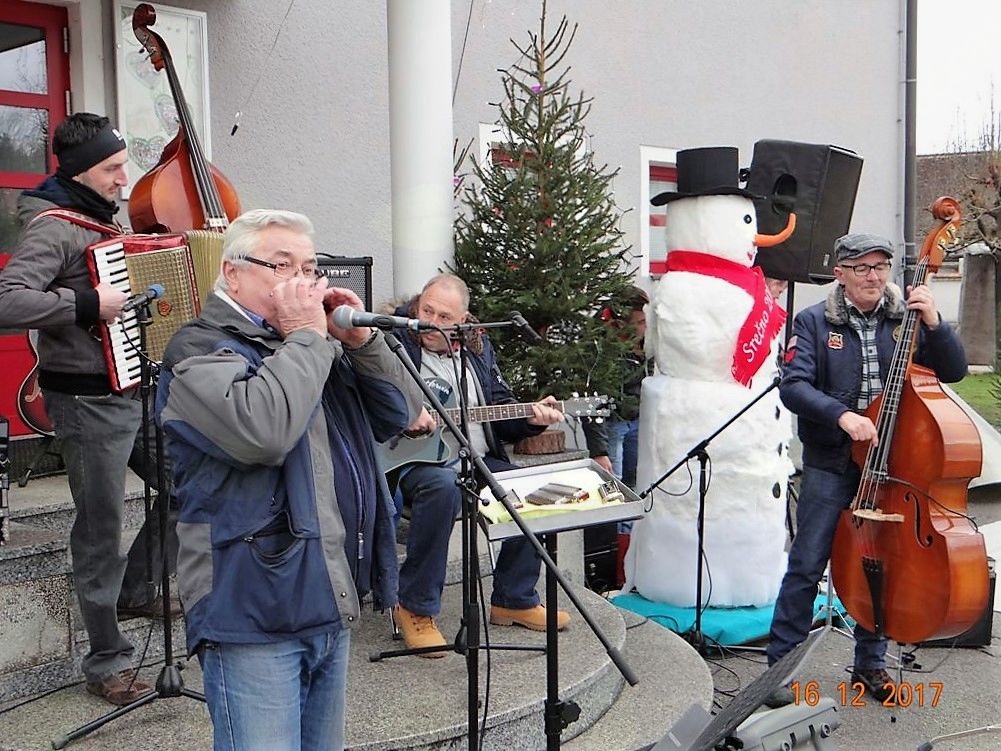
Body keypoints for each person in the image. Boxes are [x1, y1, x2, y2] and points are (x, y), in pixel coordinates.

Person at [156, 209, 423, 750]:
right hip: (252, 606)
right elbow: (262, 433)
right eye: (282, 266)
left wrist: (362, 343)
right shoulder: (198, 348)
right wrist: (306, 338)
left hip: (325, 592)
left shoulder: (312, 345)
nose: (302, 282)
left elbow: (405, 413)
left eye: (310, 268)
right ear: (233, 274)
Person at [0, 112, 178, 706]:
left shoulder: (100, 218)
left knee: (188, 481)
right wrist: (85, 304)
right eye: (112, 168)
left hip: (133, 388)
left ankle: (137, 588)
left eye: (123, 165)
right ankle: (106, 660)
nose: (125, 178)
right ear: (79, 172)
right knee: (101, 528)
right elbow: (7, 301)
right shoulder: (54, 227)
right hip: (85, 398)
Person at [764, 233, 967, 707]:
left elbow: (954, 370)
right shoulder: (814, 322)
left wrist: (936, 324)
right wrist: (843, 415)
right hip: (832, 462)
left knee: (882, 561)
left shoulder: (908, 319)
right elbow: (793, 386)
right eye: (861, 268)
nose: (873, 276)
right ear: (840, 274)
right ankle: (778, 669)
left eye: (880, 267)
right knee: (807, 563)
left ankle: (870, 665)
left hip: (895, 466)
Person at [387, 273, 570, 656]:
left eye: (444, 317)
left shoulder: (478, 347)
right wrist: (405, 415)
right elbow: (372, 396)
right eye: (426, 311)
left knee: (528, 488)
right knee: (442, 488)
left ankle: (513, 599)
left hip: (474, 458)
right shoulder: (394, 339)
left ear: (463, 320)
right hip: (412, 460)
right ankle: (415, 607)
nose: (431, 323)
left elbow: (500, 406)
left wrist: (532, 418)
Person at [582, 285, 650, 587]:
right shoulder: (600, 346)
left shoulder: (647, 343)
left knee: (637, 489)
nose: (645, 327)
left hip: (639, 421)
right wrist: (599, 450)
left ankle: (633, 565)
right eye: (640, 322)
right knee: (616, 495)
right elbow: (590, 399)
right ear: (621, 322)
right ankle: (616, 572)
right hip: (612, 425)